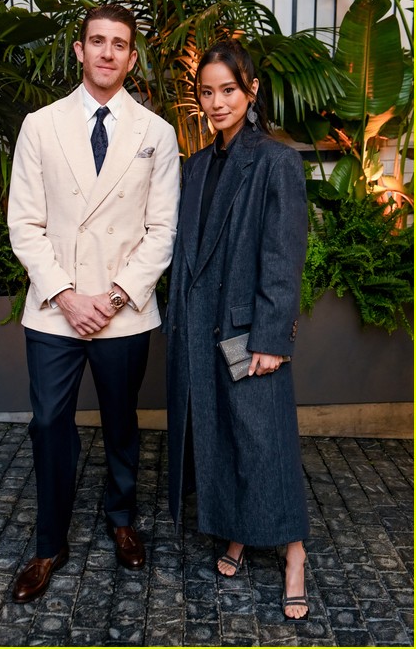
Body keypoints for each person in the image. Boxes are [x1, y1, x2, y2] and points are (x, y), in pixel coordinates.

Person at [8, 4, 180, 603]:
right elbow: (25, 223)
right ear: (79, 50)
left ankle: (122, 519)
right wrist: (64, 294)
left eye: (119, 45)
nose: (107, 53)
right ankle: (48, 544)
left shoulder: (156, 133)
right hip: (55, 306)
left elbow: (163, 231)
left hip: (122, 309)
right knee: (50, 424)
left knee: (121, 422)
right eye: (97, 42)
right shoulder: (40, 125)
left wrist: (109, 298)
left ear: (132, 58)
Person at [165, 39, 310, 622]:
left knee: (265, 442)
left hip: (248, 332)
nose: (217, 101)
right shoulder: (196, 165)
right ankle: (237, 533)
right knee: (221, 437)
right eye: (207, 91)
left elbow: (283, 254)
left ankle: (295, 555)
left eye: (229, 89)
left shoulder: (275, 159)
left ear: (250, 92)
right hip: (202, 330)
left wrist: (271, 339)